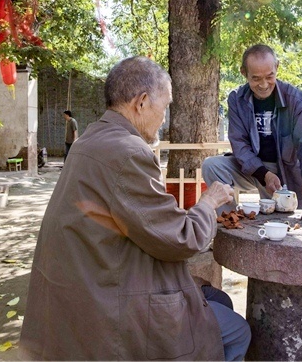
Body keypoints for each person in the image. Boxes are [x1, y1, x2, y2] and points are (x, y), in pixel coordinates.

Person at [19, 56, 251, 361]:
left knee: (216, 298)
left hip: (85, 287)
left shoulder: (91, 138)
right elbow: (181, 241)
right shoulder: (127, 152)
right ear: (141, 103)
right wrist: (208, 203)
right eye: (165, 107)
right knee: (237, 331)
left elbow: (138, 220)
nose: (164, 119)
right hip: (108, 305)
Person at [202, 44, 302, 212]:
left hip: (286, 168)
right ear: (244, 73)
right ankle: (229, 220)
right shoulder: (237, 99)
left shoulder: (294, 98)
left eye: (269, 76)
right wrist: (264, 174)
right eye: (256, 78)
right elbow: (239, 144)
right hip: (253, 168)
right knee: (211, 165)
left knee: (290, 217)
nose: (264, 84)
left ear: (277, 68)